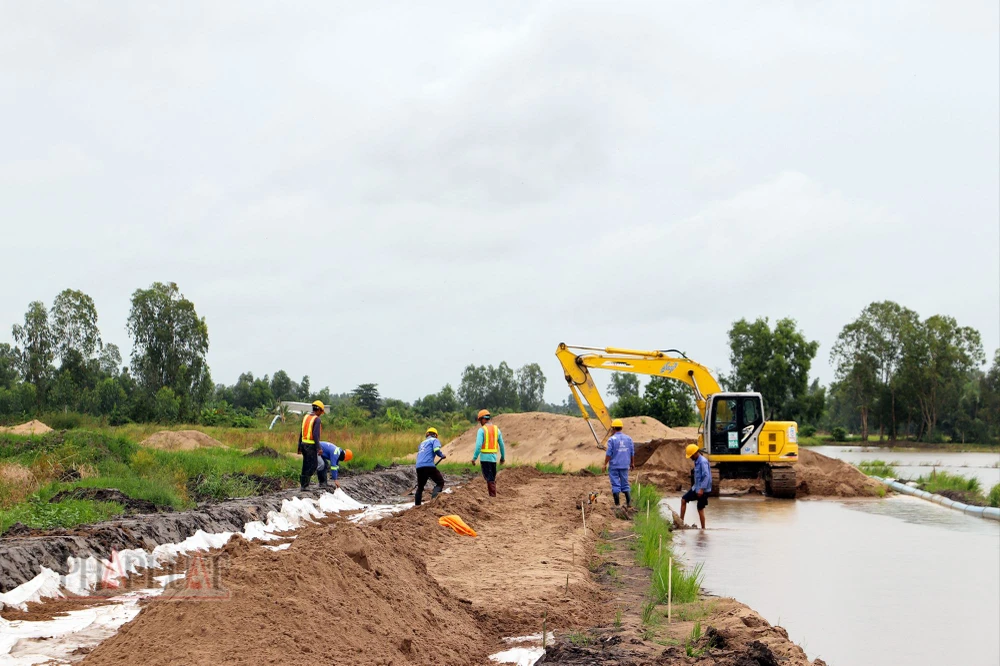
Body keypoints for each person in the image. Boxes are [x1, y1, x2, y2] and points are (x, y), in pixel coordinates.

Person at [471, 409, 505, 497]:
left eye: (480, 421)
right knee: (492, 477)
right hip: (494, 459)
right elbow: (501, 444)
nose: (480, 423)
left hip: (485, 459)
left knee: (489, 478)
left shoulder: (482, 430)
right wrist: (502, 457)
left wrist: (474, 458)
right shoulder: (497, 429)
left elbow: (478, 446)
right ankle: (492, 495)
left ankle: (492, 497)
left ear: (483, 419)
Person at [602, 418, 635, 508]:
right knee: (625, 483)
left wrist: (605, 464)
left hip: (614, 466)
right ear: (621, 428)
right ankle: (629, 503)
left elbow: (609, 453)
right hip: (625, 465)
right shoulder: (628, 439)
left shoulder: (611, 439)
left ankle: (617, 505)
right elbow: (632, 452)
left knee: (615, 484)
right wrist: (632, 463)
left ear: (613, 428)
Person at [681, 443, 711, 529]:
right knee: (684, 500)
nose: (690, 457)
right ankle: (680, 522)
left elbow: (706, 476)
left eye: (691, 455)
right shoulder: (697, 461)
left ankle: (703, 529)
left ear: (695, 453)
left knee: (700, 508)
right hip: (696, 488)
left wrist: (701, 489)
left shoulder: (702, 462)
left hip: (703, 490)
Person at [414, 427, 447, 505]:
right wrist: (441, 455)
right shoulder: (434, 440)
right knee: (440, 482)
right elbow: (436, 450)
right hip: (429, 465)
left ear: (427, 434)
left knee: (420, 487)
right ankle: (434, 502)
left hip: (419, 466)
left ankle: (417, 506)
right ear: (435, 435)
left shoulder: (422, 443)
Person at [297, 401, 325, 490]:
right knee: (313, 465)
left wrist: (299, 446)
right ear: (319, 410)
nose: (321, 414)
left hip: (303, 444)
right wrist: (319, 448)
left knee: (305, 465)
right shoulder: (317, 419)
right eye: (321, 411)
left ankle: (303, 485)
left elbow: (301, 432)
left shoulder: (305, 417)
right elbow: (315, 435)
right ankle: (305, 483)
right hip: (310, 446)